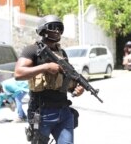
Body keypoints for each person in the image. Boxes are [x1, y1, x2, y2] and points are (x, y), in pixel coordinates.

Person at [14, 15, 84, 144]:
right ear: (43, 30)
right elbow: (18, 73)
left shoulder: (62, 53)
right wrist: (46, 67)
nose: (57, 31)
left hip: (64, 111)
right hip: (41, 113)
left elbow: (66, 82)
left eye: (59, 28)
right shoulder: (32, 50)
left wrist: (76, 89)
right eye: (53, 27)